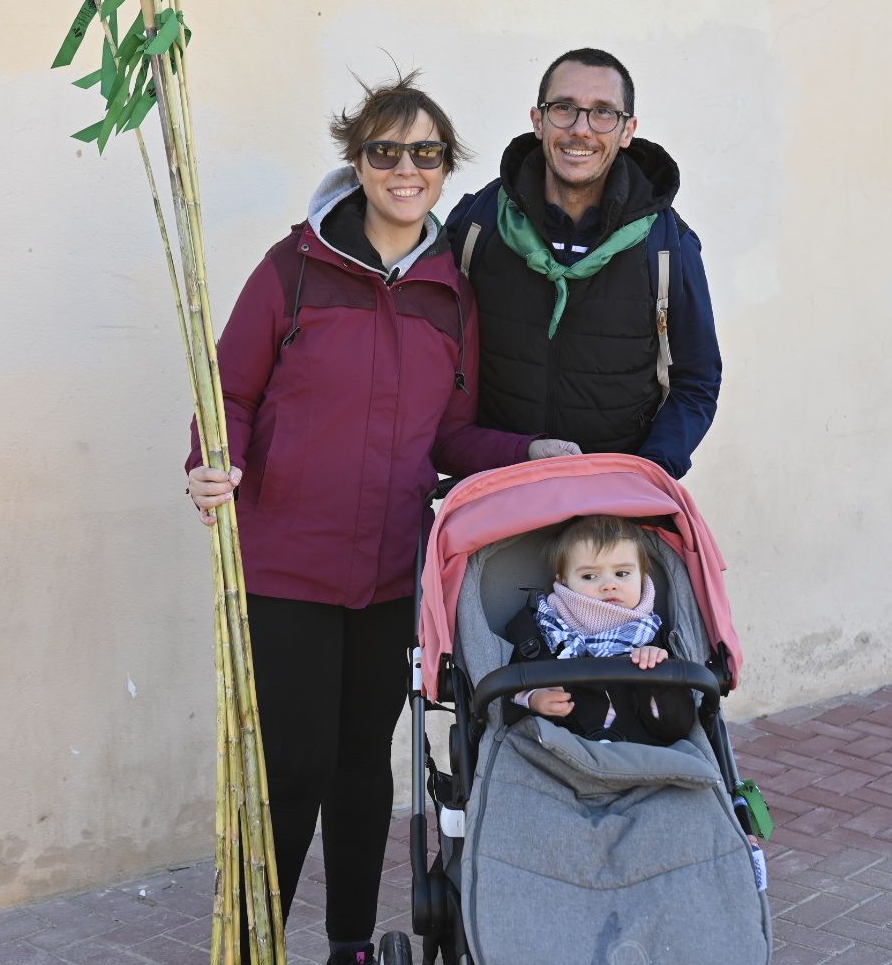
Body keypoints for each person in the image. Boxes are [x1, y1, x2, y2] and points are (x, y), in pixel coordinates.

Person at [185, 73, 578, 965]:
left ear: (445, 171)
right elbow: (230, 392)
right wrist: (212, 466)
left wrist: (525, 455)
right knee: (290, 769)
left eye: (425, 154)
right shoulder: (294, 269)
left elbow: (449, 434)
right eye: (385, 152)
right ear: (357, 163)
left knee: (364, 764)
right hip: (286, 564)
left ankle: (351, 946)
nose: (406, 169)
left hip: (392, 570)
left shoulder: (450, 292)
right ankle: (251, 945)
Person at [445, 47, 722, 479]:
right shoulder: (479, 225)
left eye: (603, 113)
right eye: (564, 109)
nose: (581, 129)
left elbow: (696, 381)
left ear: (628, 130)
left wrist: (646, 474)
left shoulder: (668, 245)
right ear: (538, 121)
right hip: (498, 488)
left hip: (614, 509)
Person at [503, 514, 696, 746]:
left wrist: (660, 678)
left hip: (640, 757)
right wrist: (533, 698)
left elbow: (676, 727)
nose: (609, 584)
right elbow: (507, 694)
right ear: (564, 580)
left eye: (622, 573)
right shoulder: (542, 631)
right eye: (589, 576)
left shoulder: (653, 638)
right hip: (563, 756)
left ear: (642, 576)